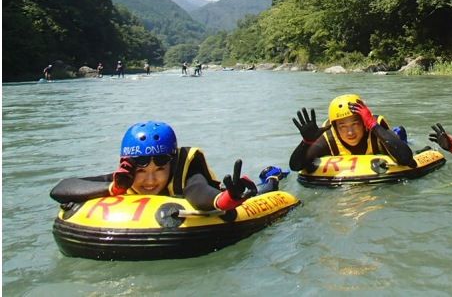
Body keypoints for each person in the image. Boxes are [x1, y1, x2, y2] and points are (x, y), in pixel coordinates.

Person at [50, 121, 279, 211]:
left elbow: (197, 192)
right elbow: (61, 188)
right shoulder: (124, 179)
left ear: (171, 163)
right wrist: (114, 189)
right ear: (129, 166)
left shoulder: (185, 174)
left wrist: (226, 198)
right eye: (142, 171)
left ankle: (271, 177)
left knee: (259, 191)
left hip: (230, 195)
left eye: (159, 170)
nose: (150, 181)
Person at [289, 94, 415, 171]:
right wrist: (306, 142)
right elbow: (295, 166)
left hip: (390, 141)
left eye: (355, 124)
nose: (350, 133)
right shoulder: (329, 138)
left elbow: (406, 159)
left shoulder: (375, 129)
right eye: (342, 126)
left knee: (398, 136)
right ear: (335, 127)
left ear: (364, 123)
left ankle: (399, 133)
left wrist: (373, 125)